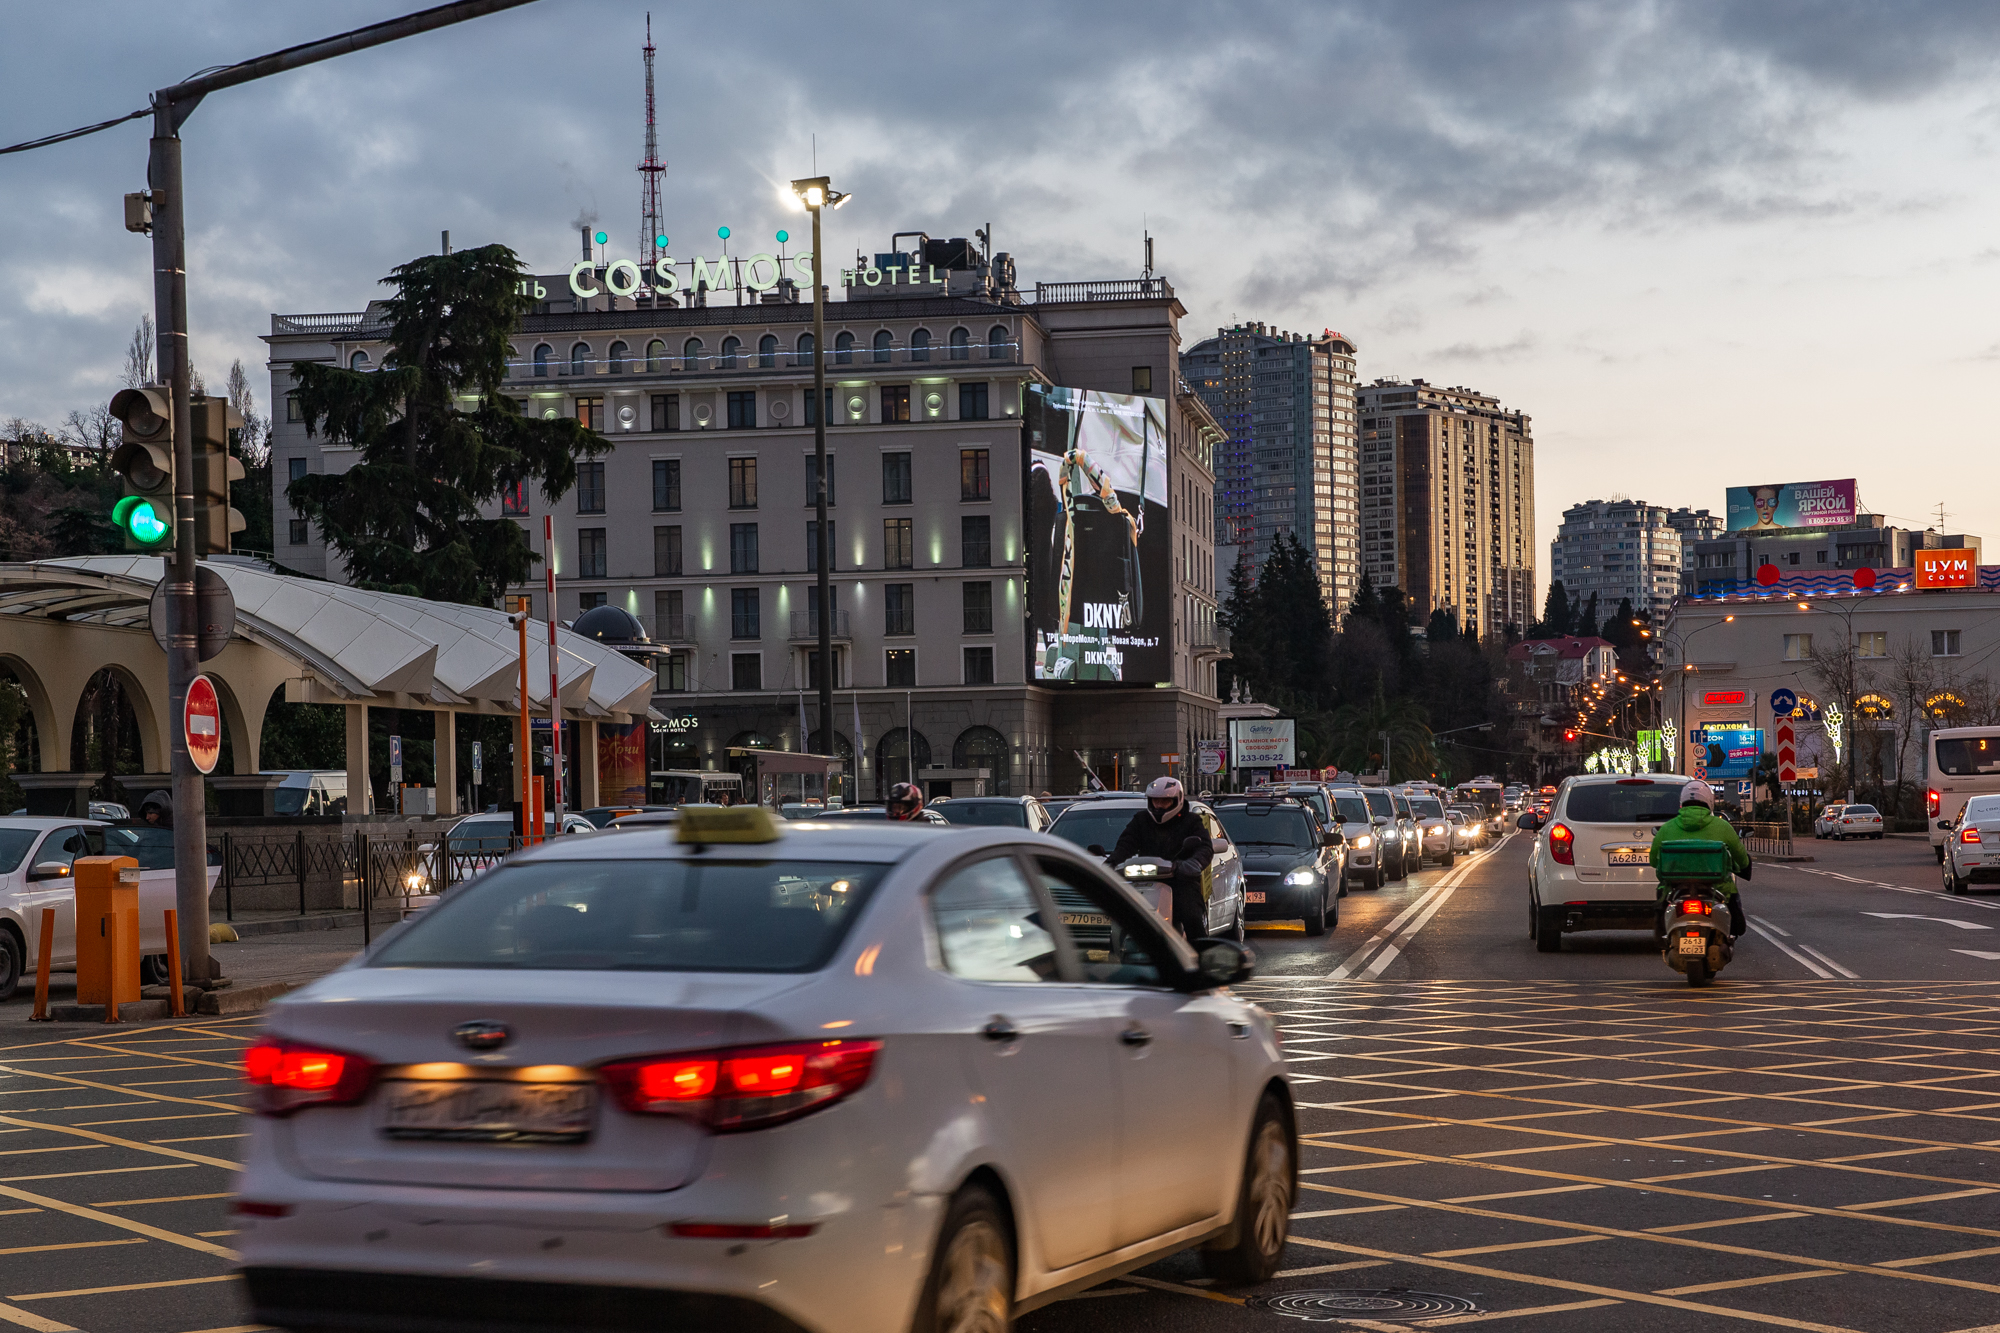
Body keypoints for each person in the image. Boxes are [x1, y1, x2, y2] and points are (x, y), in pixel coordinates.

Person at [1105, 776, 1215, 942]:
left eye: (1164, 801)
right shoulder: (1141, 820)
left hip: (1180, 880)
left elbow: (1205, 847)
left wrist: (1193, 863)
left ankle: (1202, 958)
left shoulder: (1191, 821)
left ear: (1177, 800)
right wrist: (1111, 863)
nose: (1159, 806)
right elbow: (1126, 845)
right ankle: (1116, 948)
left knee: (1192, 917)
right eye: (1155, 801)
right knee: (1121, 912)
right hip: (1144, 880)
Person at [1649, 779, 1751, 937]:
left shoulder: (1666, 828)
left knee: (1661, 918)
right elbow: (1742, 860)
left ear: (1682, 802)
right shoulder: (1723, 827)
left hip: (1674, 890)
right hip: (1717, 890)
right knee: (1736, 927)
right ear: (1710, 802)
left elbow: (1653, 861)